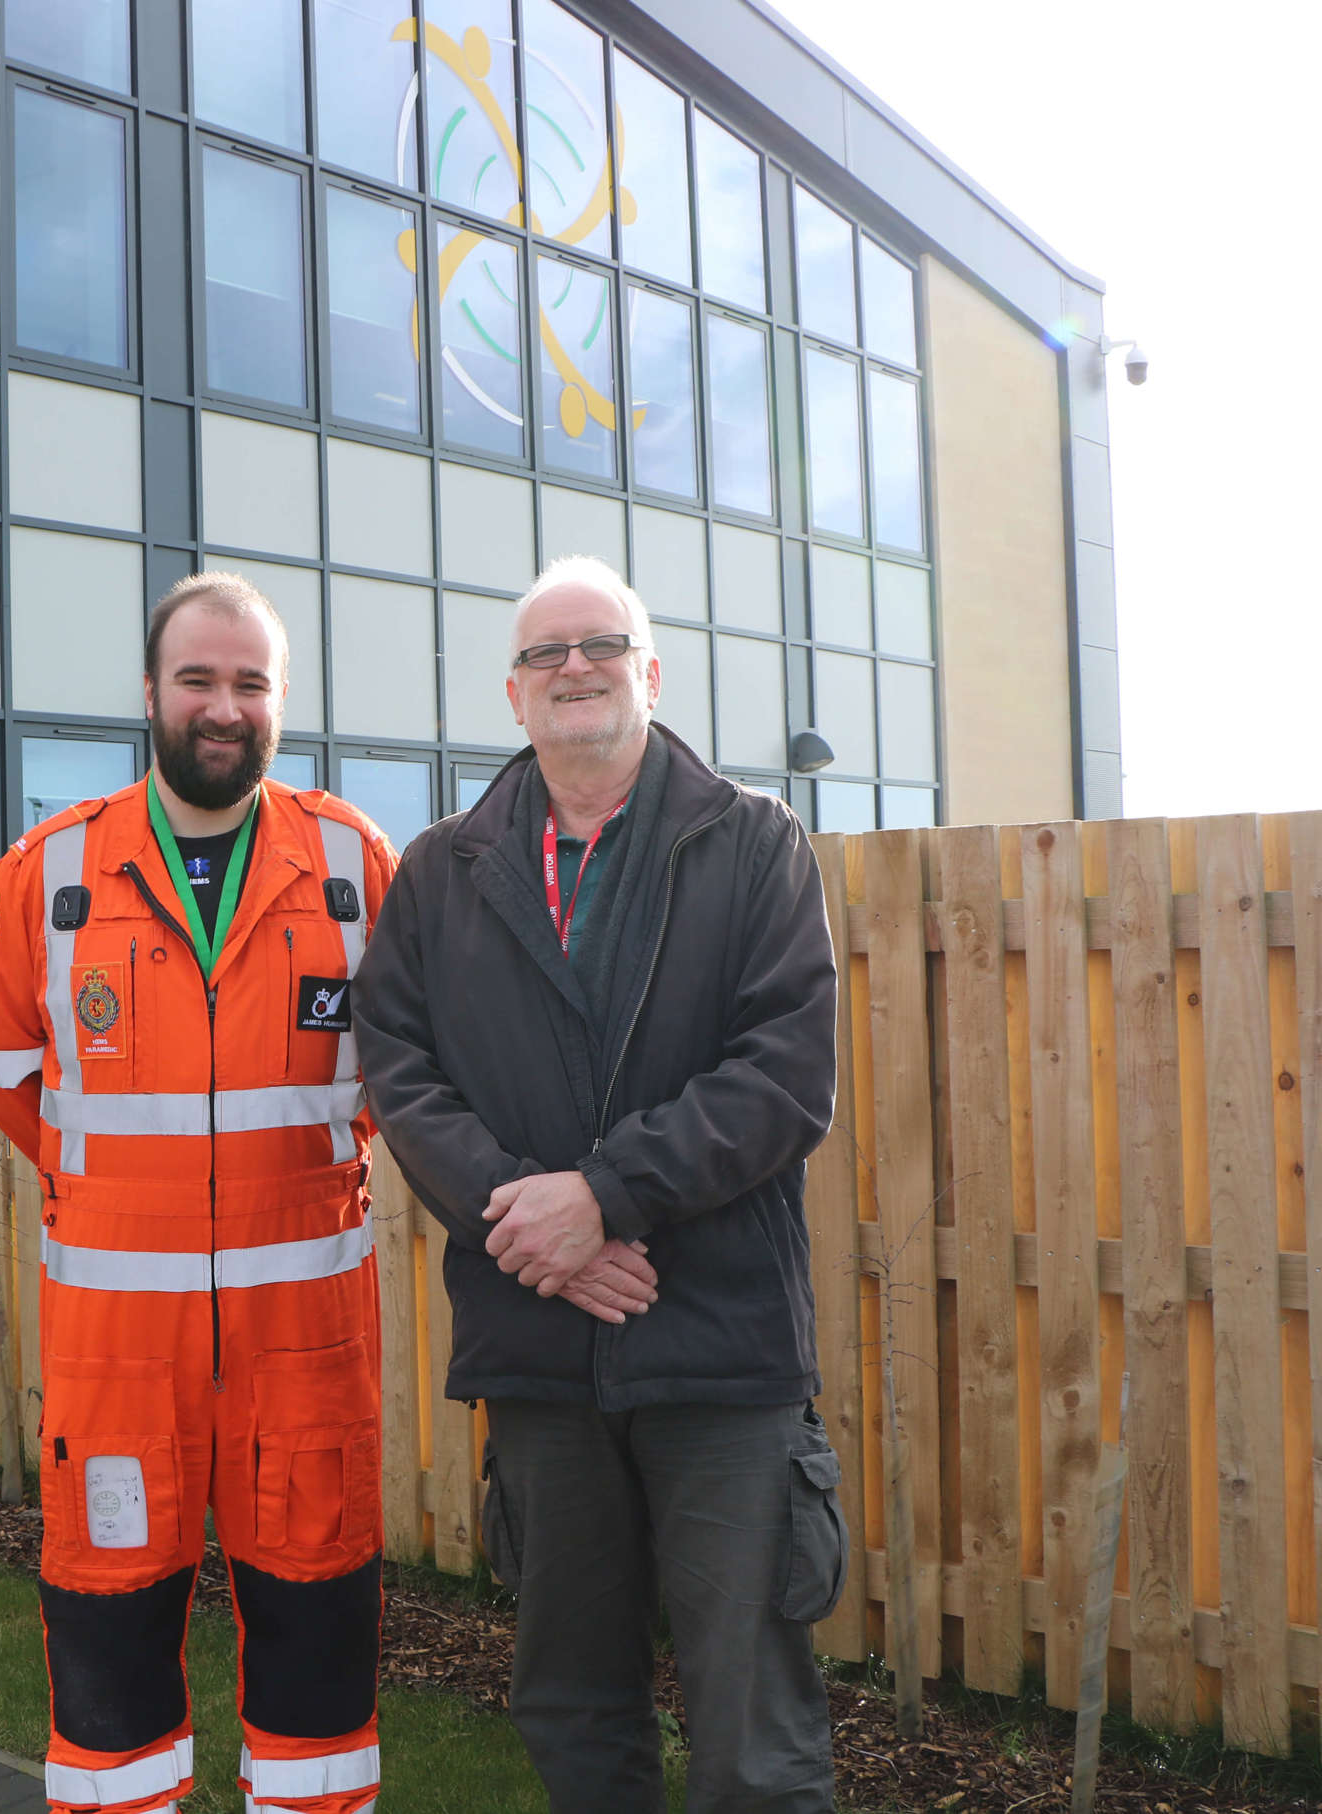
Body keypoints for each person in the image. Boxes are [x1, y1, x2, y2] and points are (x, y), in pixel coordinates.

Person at [352, 555, 846, 1813]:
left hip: (720, 1352)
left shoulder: (754, 843)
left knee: (755, 1735)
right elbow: (403, 1075)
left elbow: (784, 1075)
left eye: (601, 644)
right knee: (573, 1709)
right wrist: (537, 1219)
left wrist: (604, 1196)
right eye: (545, 654)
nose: (574, 666)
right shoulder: (443, 871)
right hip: (541, 1351)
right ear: (512, 697)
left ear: (650, 670)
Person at [0, 573, 397, 1814]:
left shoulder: (357, 865)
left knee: (318, 1662)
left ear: (281, 702)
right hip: (116, 1356)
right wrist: (105, 1178)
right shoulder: (51, 871)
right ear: (149, 692)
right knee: (109, 1667)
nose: (222, 705)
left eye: (249, 683)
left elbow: (404, 1067)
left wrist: (304, 1159)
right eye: (198, 679)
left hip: (305, 1345)